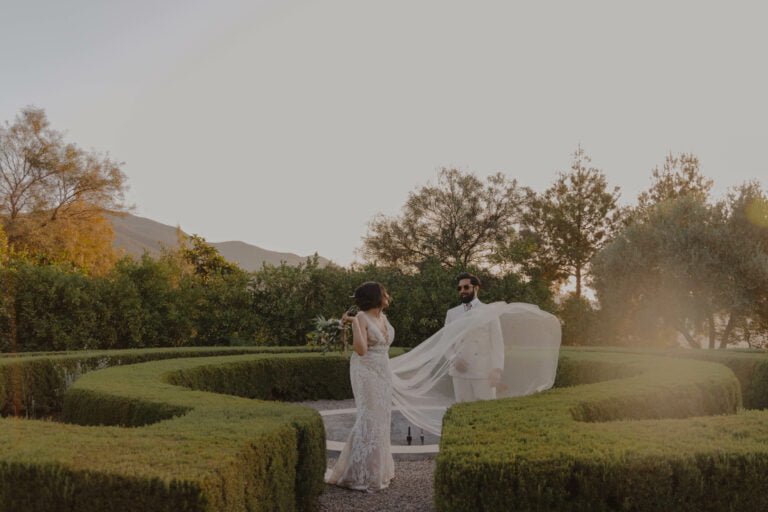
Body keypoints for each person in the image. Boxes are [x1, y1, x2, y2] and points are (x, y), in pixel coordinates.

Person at [325, 281, 395, 492]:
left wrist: (352, 320)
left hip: (383, 371)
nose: (387, 295)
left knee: (382, 416)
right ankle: (361, 473)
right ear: (376, 296)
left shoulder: (383, 317)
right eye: (384, 293)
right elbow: (361, 350)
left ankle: (379, 468)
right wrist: (355, 324)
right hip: (365, 372)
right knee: (369, 416)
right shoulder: (362, 318)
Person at [444, 272, 504, 402]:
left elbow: (497, 343)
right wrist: (454, 359)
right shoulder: (452, 313)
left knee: (485, 412)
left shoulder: (489, 311)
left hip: (483, 372)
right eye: (459, 288)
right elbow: (446, 343)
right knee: (463, 411)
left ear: (476, 288)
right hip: (459, 372)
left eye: (466, 287)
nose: (462, 291)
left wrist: (497, 370)